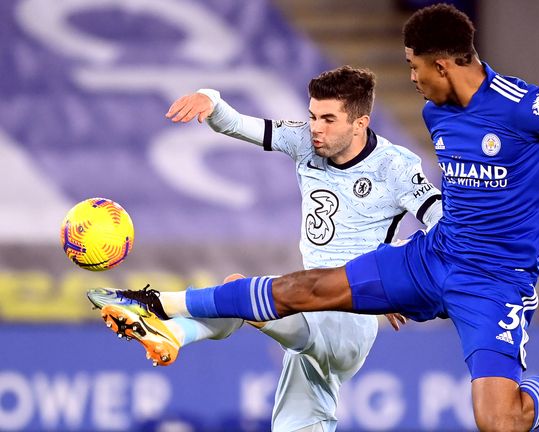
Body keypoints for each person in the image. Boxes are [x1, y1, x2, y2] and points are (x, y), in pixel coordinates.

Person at [89, 4, 539, 431]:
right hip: (436, 257)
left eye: (416, 65)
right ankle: (155, 302)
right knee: (306, 289)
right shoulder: (436, 113)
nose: (412, 77)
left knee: (499, 421)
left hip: (495, 284)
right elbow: (448, 204)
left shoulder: (526, 108)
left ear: (445, 64)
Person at [88, 65, 442, 432]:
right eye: (312, 116)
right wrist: (210, 99)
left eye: (328, 119)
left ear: (360, 122)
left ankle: (155, 303)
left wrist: (397, 272)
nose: (316, 128)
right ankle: (177, 334)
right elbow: (237, 124)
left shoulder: (395, 166)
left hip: (346, 319)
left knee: (242, 293)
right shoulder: (305, 141)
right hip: (309, 309)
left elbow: (444, 224)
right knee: (296, 424)